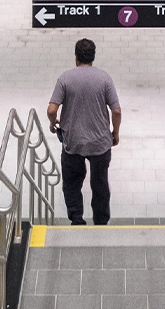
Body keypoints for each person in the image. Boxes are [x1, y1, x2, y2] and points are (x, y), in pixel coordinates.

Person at [48, 38, 120, 226]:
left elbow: (51, 110)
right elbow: (117, 110)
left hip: (73, 142)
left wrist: (51, 124)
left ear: (76, 57)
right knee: (100, 185)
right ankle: (101, 222)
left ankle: (77, 219)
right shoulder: (104, 78)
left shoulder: (65, 78)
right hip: (100, 143)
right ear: (93, 57)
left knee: (72, 183)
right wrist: (115, 133)